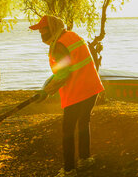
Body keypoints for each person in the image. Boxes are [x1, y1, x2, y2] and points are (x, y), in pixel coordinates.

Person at [30, 15, 104, 177]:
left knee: (68, 130)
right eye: (39, 30)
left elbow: (63, 73)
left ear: (52, 28)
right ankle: (85, 159)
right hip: (92, 88)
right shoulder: (72, 36)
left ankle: (69, 170)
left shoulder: (59, 45)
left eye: (43, 29)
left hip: (77, 92)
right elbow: (66, 68)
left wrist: (47, 91)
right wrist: (46, 86)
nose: (41, 33)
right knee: (84, 123)